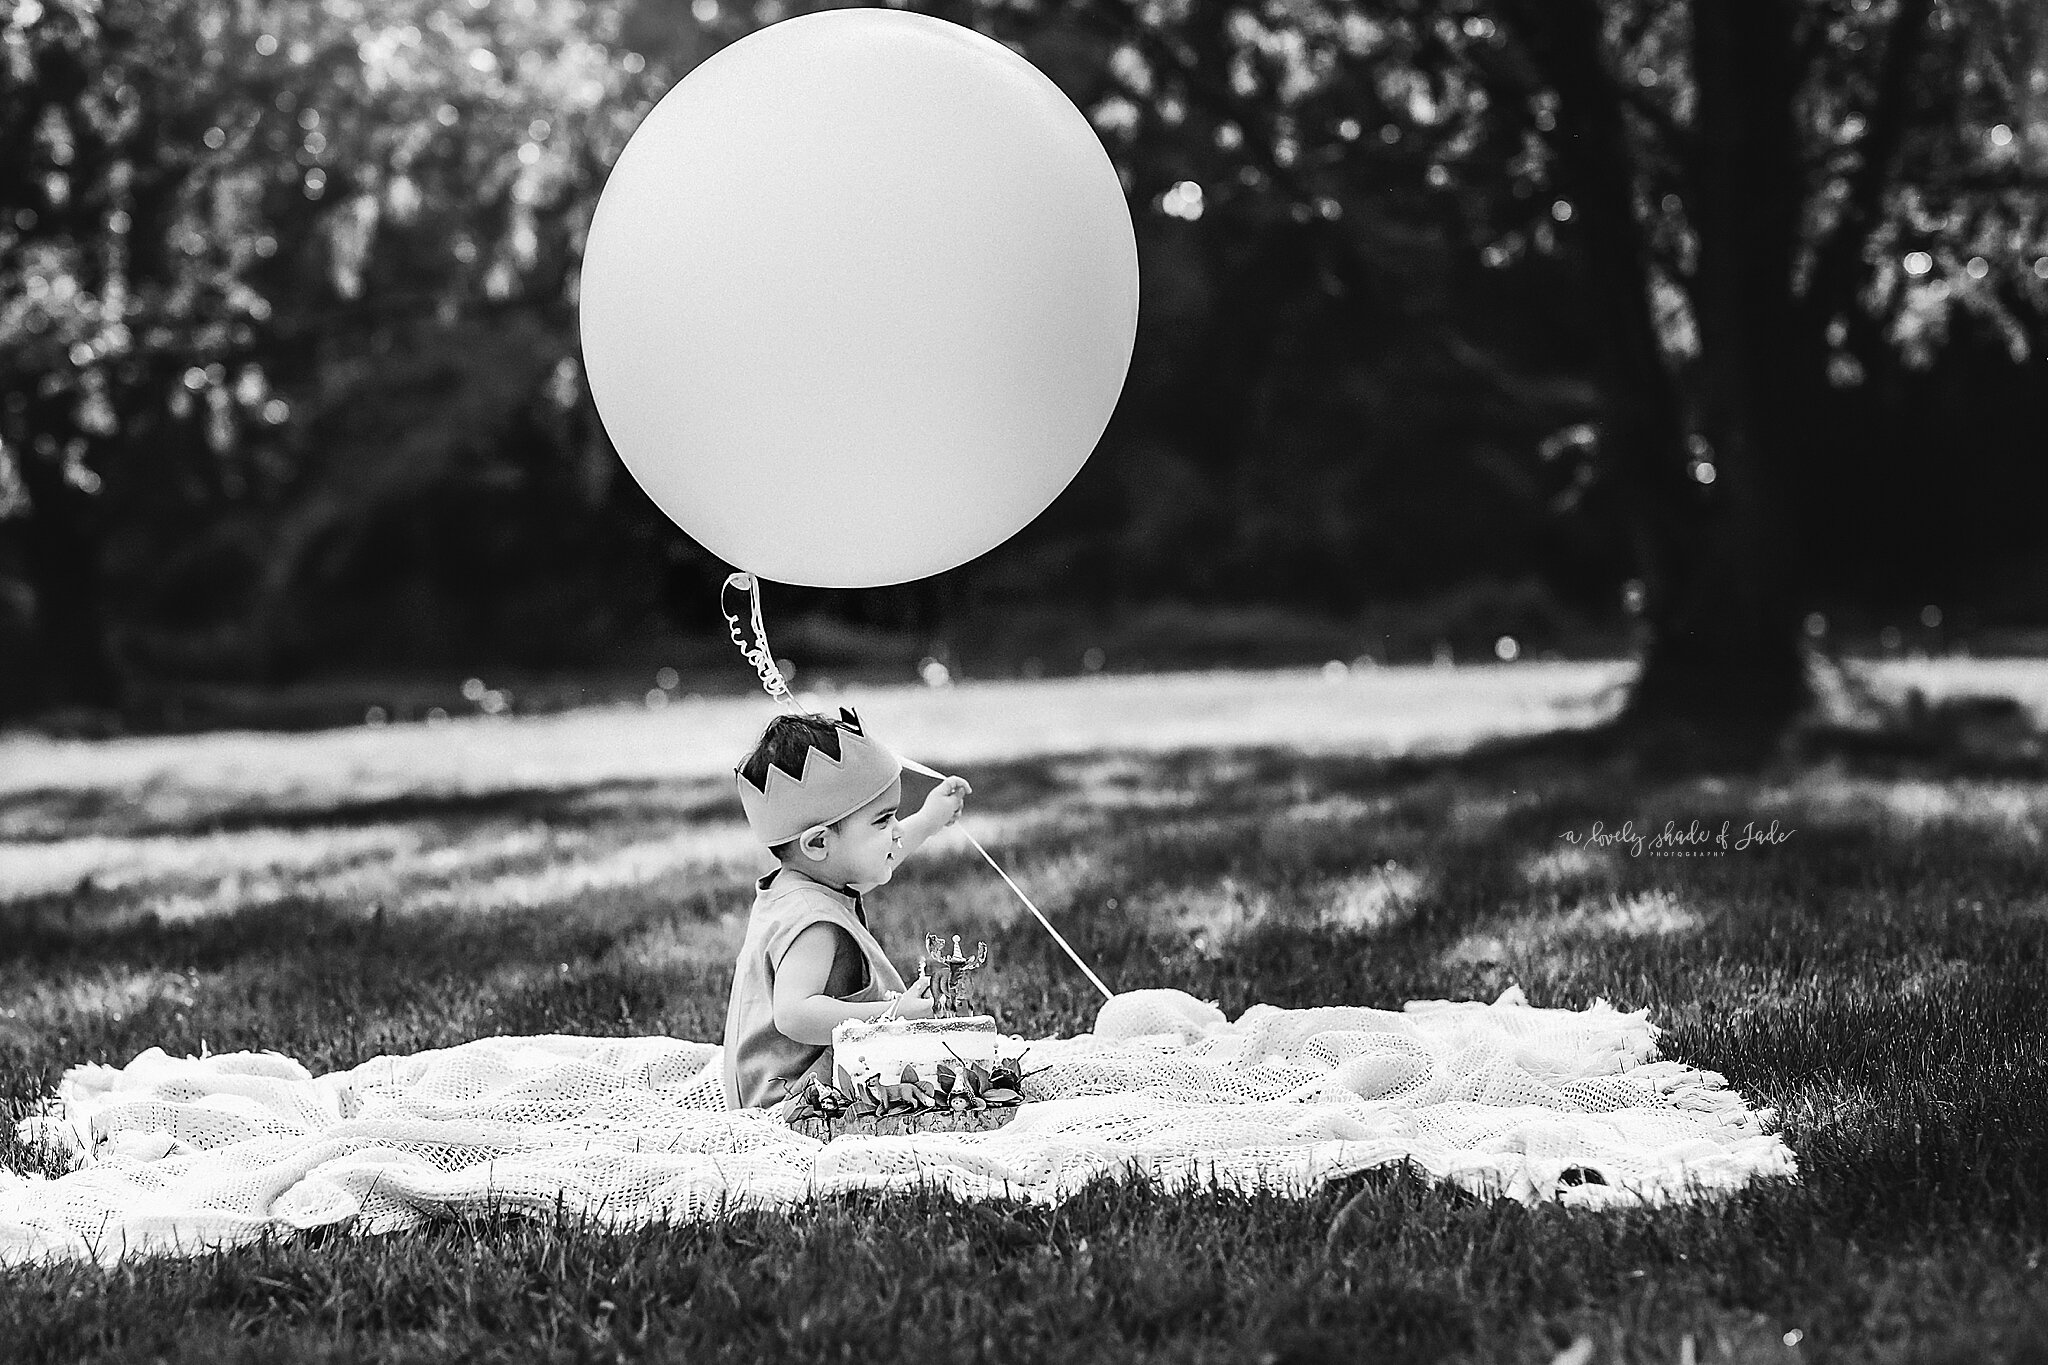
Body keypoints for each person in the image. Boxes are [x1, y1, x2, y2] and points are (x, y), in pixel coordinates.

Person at [721, 708, 972, 1109]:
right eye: (882, 821)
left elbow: (883, 853)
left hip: (791, 1083)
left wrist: (930, 818)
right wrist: (894, 1014)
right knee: (933, 1073)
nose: (895, 831)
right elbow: (795, 1015)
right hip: (795, 1097)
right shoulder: (812, 922)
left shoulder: (808, 881)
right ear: (818, 844)